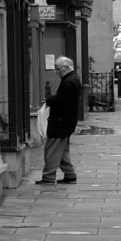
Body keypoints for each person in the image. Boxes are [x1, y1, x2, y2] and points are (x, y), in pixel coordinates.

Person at [36, 56, 81, 184]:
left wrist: (50, 100)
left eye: (58, 69)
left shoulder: (69, 82)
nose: (56, 72)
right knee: (62, 150)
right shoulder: (73, 79)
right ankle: (70, 175)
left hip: (61, 121)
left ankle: (48, 177)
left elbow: (62, 101)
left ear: (66, 68)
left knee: (52, 150)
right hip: (67, 121)